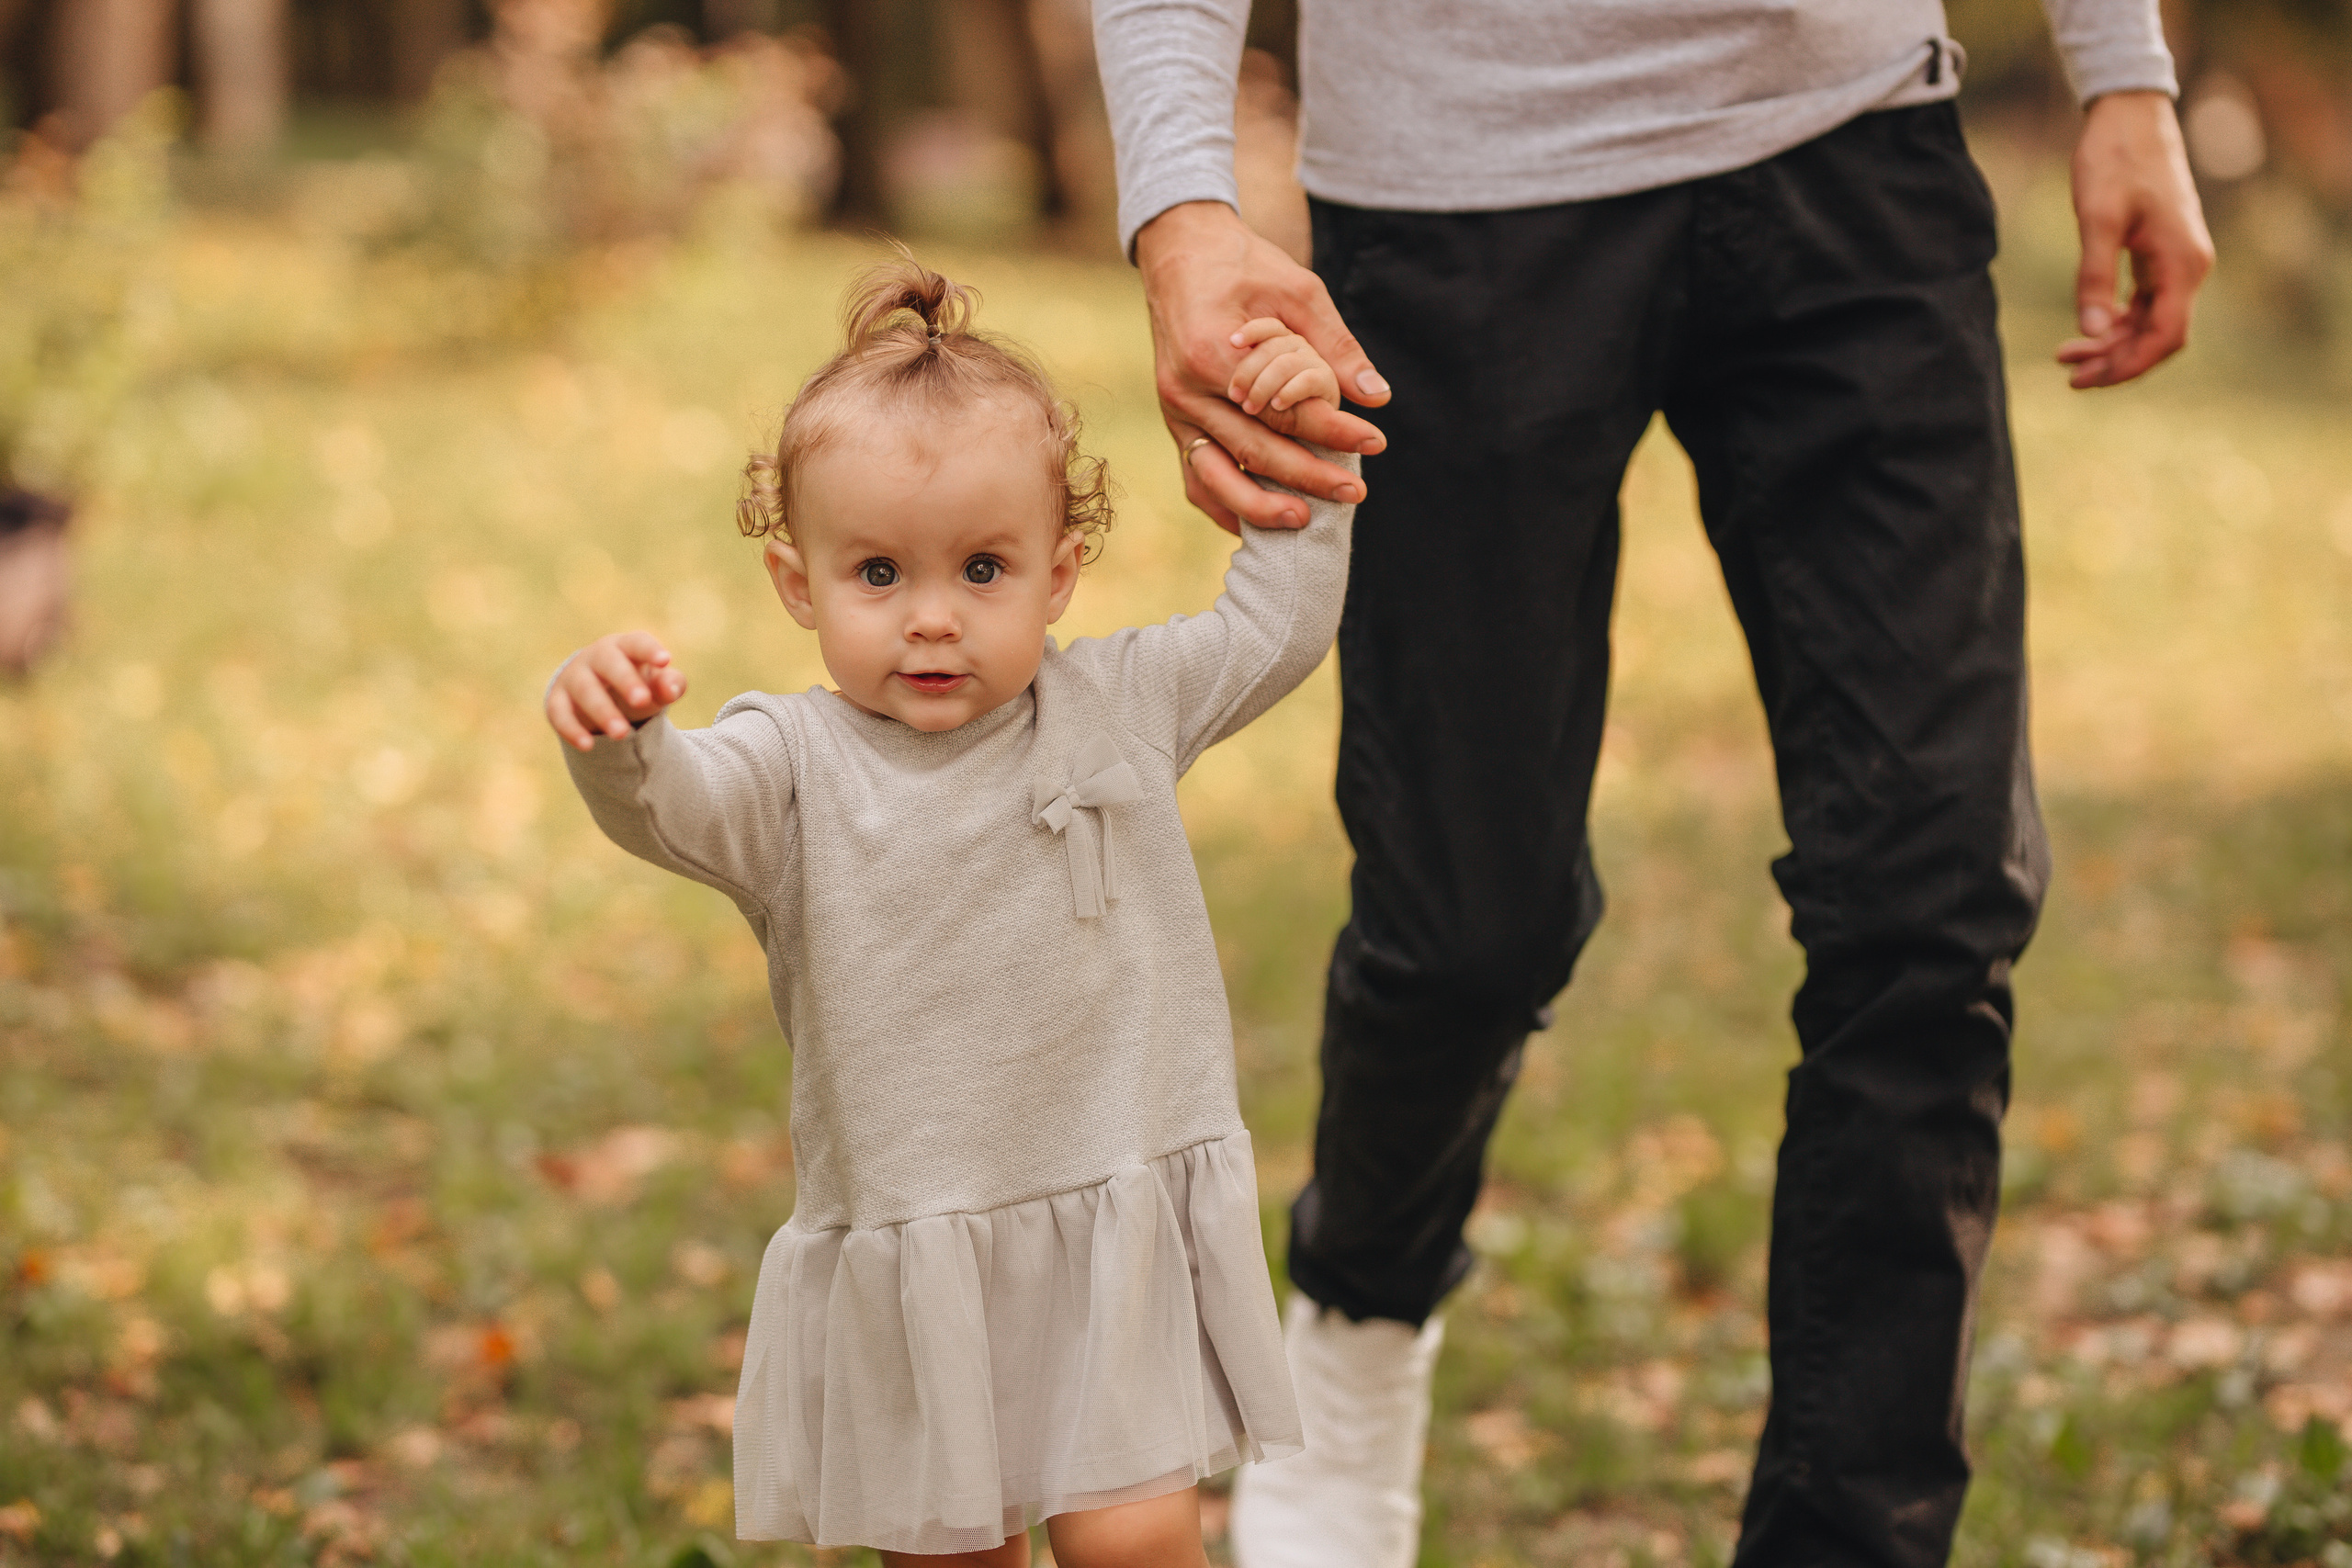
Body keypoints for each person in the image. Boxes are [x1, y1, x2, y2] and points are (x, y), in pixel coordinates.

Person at [1090, 3, 2214, 1566]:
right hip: (1456, 191)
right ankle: (1359, 1320)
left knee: (1931, 901)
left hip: (1854, 146)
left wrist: (2126, 73)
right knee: (1470, 926)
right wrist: (1179, 205)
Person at [543, 255, 1358, 1566]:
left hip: (1108, 1223)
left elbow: (1276, 627)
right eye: (878, 574)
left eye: (983, 569)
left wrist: (1303, 451)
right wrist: (619, 738)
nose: (933, 621)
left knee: (1135, 1547)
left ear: (1060, 574)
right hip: (922, 1248)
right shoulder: (792, 771)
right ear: (798, 585)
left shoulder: (1119, 709)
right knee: (951, 1554)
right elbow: (671, 804)